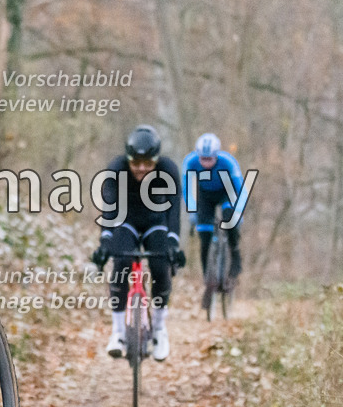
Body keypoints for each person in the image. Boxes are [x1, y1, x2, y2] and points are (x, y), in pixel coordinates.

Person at [91, 125, 185, 361]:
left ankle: (160, 330)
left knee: (161, 267)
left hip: (156, 222)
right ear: (128, 159)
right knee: (121, 263)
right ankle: (119, 333)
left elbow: (174, 210)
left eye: (147, 163)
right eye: (136, 163)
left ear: (156, 159)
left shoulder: (169, 169)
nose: (141, 168)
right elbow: (109, 209)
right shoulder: (116, 169)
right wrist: (105, 242)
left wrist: (173, 243)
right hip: (127, 221)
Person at [181, 133, 244, 281]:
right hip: (205, 195)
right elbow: (187, 189)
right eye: (202, 158)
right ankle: (207, 278)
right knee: (204, 234)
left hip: (227, 192)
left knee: (229, 219)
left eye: (209, 159)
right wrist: (192, 211)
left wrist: (239, 211)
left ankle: (235, 256)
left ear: (216, 155)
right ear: (198, 155)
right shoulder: (190, 162)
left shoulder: (228, 161)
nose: (206, 163)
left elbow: (241, 189)